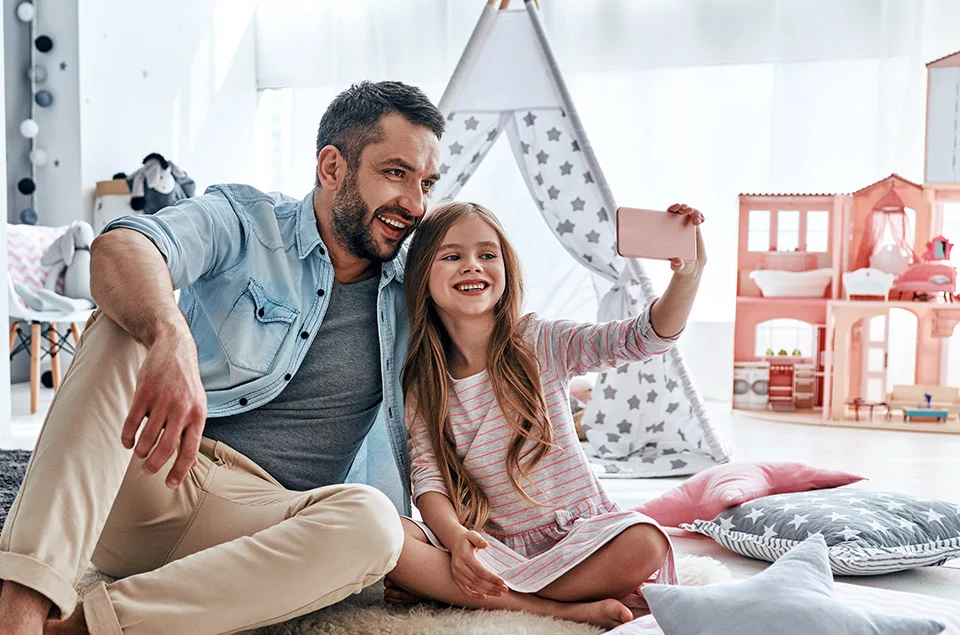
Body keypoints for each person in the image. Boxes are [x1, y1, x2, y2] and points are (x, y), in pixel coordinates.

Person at [0, 80, 444, 635]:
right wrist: (169, 332)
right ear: (332, 167)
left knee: (377, 524)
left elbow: (489, 376)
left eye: (427, 183)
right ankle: (18, 612)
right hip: (152, 476)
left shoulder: (418, 294)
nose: (416, 204)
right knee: (124, 326)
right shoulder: (245, 220)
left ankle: (83, 630)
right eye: (396, 173)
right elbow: (124, 246)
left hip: (263, 529)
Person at [383, 200, 706, 630]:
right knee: (389, 534)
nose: (472, 266)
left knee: (646, 541)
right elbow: (428, 481)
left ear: (505, 267)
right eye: (452, 256)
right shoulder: (424, 381)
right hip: (490, 544)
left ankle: (469, 594)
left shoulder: (540, 341)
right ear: (422, 273)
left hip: (579, 538)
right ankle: (554, 611)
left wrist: (688, 276)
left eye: (486, 254)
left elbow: (642, 338)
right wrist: (456, 540)